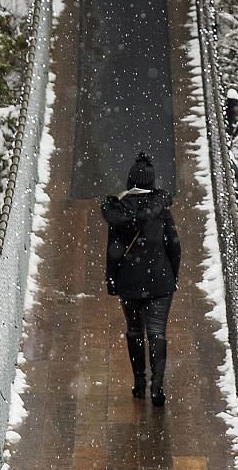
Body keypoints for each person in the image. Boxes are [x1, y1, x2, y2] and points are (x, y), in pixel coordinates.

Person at [102, 152, 180, 406]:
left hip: (129, 282)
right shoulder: (161, 211)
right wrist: (172, 275)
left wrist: (112, 281)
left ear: (130, 181)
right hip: (160, 281)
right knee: (157, 332)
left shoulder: (118, 212)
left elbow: (113, 252)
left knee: (134, 331)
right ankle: (157, 387)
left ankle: (139, 382)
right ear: (151, 182)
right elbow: (174, 247)